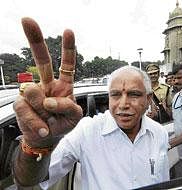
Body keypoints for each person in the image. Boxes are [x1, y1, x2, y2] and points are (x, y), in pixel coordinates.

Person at [12, 17, 169, 190]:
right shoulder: (87, 131)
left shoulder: (159, 134)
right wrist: (38, 145)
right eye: (115, 95)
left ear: (148, 100)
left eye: (133, 94)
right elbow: (29, 181)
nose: (123, 104)